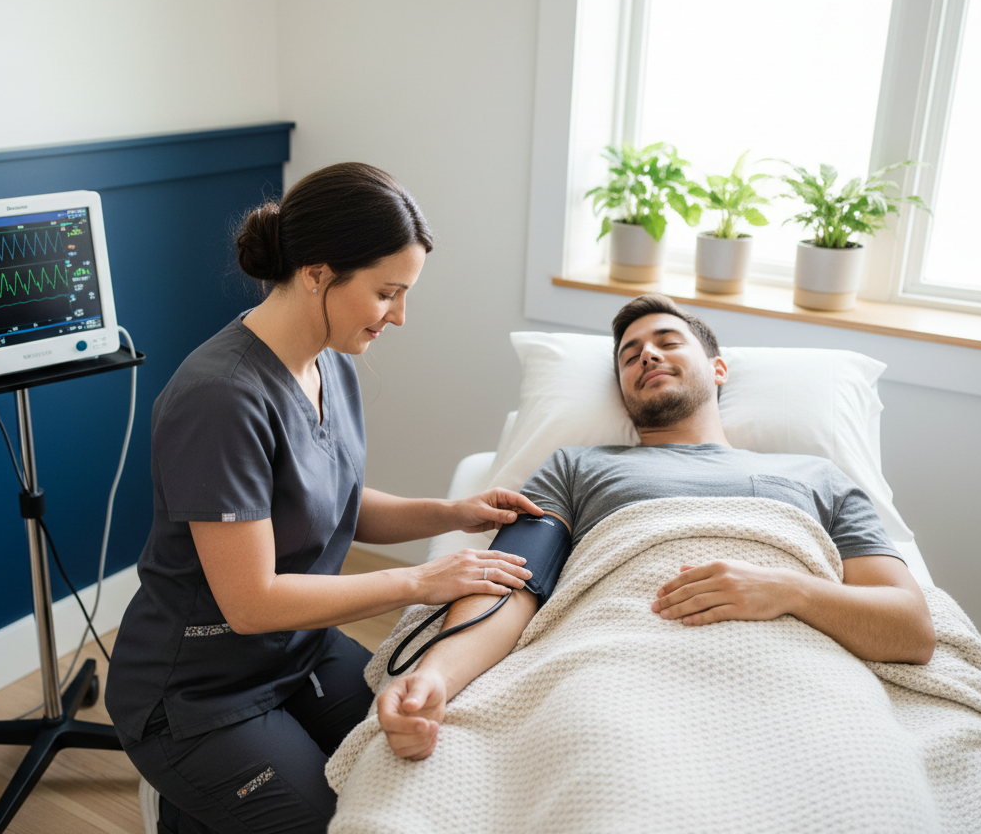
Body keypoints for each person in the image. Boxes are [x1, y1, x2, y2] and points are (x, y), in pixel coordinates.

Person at [104, 162, 542, 833]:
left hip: (298, 652)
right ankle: (192, 795)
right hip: (198, 691)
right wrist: (423, 579)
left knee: (418, 765)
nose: (399, 316)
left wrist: (452, 513)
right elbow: (251, 602)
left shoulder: (329, 360)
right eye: (387, 293)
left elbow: (332, 499)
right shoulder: (220, 398)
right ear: (316, 273)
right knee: (341, 822)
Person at [377, 293, 936, 761]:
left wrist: (787, 590)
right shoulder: (577, 466)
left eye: (668, 342)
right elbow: (510, 583)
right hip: (613, 666)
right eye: (629, 355)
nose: (647, 355)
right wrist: (438, 679)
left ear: (718, 370)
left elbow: (910, 628)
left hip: (796, 673)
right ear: (623, 389)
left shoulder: (820, 476)